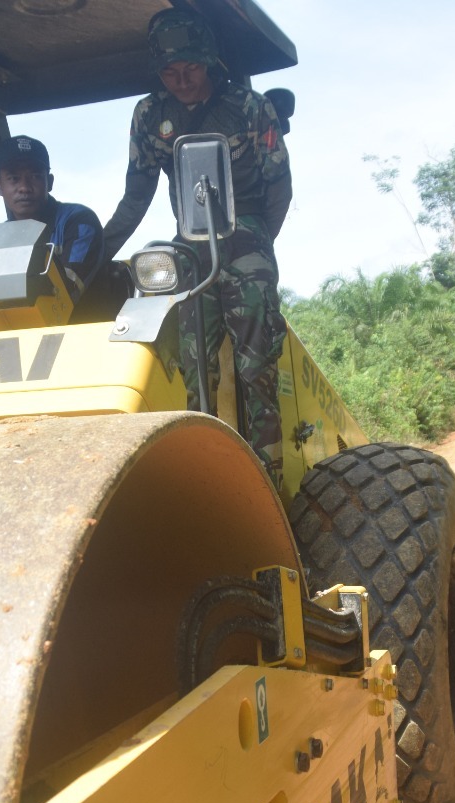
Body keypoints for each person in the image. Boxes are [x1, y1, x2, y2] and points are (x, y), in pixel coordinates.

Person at [101, 8, 292, 486]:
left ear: (208, 61)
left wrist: (258, 246)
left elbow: (279, 187)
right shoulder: (150, 115)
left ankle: (267, 478)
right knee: (195, 372)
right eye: (170, 72)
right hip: (188, 244)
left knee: (256, 370)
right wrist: (93, 257)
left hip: (245, 235)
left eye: (190, 69)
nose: (181, 81)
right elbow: (136, 196)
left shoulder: (250, 107)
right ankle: (209, 478)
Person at [0, 135, 104, 304]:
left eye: (35, 176)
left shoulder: (79, 222)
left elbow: (64, 292)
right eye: (14, 178)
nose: (24, 188)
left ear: (49, 182)